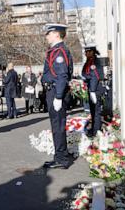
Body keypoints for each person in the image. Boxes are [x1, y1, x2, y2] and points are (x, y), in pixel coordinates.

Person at [42, 24, 73, 169]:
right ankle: (61, 155)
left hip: (56, 91)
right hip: (54, 90)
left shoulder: (59, 51)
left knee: (58, 126)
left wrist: (59, 96)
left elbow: (62, 75)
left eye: (48, 33)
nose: (46, 36)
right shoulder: (56, 50)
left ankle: (61, 159)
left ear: (56, 34)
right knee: (57, 125)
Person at [82, 44, 105, 137]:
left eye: (88, 52)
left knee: (96, 111)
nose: (86, 53)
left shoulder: (95, 62)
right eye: (85, 52)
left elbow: (95, 76)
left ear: (92, 52)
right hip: (91, 88)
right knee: (92, 111)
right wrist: (87, 77)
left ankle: (96, 131)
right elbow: (83, 73)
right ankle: (94, 129)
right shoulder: (88, 62)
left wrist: (92, 91)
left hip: (95, 89)